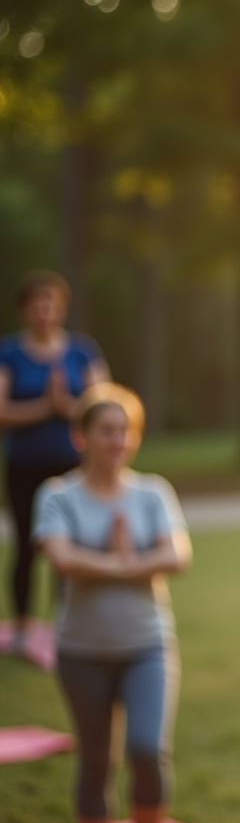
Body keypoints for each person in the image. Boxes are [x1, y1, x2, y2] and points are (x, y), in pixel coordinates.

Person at [33, 383, 191, 823]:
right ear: (80, 436)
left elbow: (177, 556)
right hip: (81, 652)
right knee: (96, 759)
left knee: (147, 749)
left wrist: (109, 564)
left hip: (147, 647)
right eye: (107, 430)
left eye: (126, 430)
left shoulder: (152, 492)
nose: (118, 440)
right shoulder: (57, 495)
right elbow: (62, 559)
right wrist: (130, 564)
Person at [1, 269, 109, 655]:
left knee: (71, 546)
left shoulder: (81, 351)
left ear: (62, 308)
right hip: (24, 465)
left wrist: (67, 407)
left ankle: (68, 624)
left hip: (71, 468)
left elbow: (103, 405)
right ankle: (23, 627)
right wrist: (45, 407)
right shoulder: (9, 353)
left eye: (51, 304)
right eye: (37, 304)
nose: (44, 311)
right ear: (24, 310)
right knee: (27, 548)